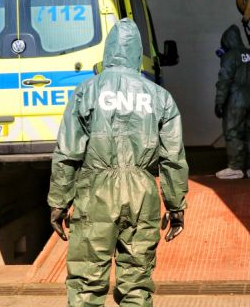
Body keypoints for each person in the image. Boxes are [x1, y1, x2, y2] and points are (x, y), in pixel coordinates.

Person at [48, 18, 189, 307]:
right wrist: (176, 207)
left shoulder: (86, 91)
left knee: (86, 283)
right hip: (142, 195)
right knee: (137, 284)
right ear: (137, 53)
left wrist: (59, 202)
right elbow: (173, 158)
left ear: (108, 51)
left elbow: (68, 153)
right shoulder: (160, 97)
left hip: (95, 194)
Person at [214, 24, 250, 179]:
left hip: (236, 101)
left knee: (233, 132)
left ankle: (236, 167)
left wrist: (219, 102)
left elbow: (224, 80)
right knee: (248, 132)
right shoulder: (249, 53)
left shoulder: (230, 56)